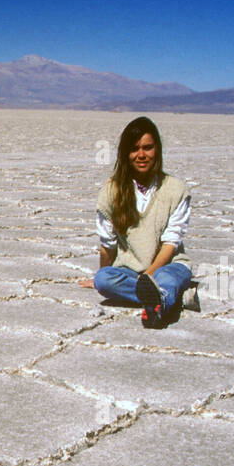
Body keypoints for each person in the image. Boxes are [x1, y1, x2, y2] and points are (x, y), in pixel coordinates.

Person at [77, 116, 191, 328]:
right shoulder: (111, 191)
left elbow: (170, 243)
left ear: (157, 150)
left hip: (169, 265)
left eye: (147, 148)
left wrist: (148, 277)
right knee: (104, 279)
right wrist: (101, 277)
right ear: (125, 154)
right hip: (130, 270)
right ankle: (168, 298)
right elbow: (108, 245)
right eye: (134, 149)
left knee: (169, 277)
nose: (141, 155)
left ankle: (159, 301)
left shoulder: (176, 189)